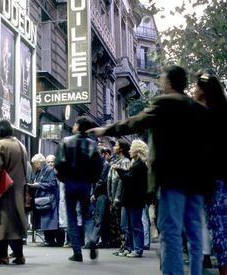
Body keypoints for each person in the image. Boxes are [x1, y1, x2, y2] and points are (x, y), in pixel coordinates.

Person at [89, 65, 210, 275]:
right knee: (194, 233)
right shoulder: (199, 109)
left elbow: (135, 121)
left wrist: (106, 129)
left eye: (162, 77)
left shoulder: (164, 103)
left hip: (172, 178)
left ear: (169, 82)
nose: (160, 81)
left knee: (170, 232)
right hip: (197, 181)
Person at [54, 116, 103, 262]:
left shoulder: (66, 141)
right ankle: (92, 240)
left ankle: (77, 252)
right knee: (87, 215)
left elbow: (59, 163)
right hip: (85, 184)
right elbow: (98, 166)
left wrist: (64, 178)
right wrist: (91, 180)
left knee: (72, 217)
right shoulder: (92, 144)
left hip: (70, 183)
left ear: (77, 126)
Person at [194, 71, 227, 275]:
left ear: (204, 91)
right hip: (218, 177)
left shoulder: (207, 116)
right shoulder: (220, 112)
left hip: (217, 179)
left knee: (220, 227)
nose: (194, 90)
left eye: (196, 86)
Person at [0, 119, 28, 265]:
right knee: (16, 224)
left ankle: (2, 256)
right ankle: (19, 256)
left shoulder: (1, 144)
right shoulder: (20, 144)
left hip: (4, 190)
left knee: (3, 224)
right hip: (18, 188)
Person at [113, 139, 148, 258]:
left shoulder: (139, 165)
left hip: (134, 200)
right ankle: (133, 248)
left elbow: (129, 179)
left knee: (136, 225)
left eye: (132, 148)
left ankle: (137, 249)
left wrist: (119, 170)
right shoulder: (137, 164)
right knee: (131, 225)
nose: (130, 150)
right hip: (131, 200)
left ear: (138, 151)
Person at [29, 154, 61, 247]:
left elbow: (52, 184)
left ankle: (50, 240)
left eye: (35, 163)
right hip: (44, 198)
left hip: (49, 198)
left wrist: (38, 185)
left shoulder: (49, 170)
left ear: (40, 162)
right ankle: (49, 240)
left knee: (49, 220)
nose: (34, 165)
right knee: (46, 220)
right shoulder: (40, 171)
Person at [108, 139, 131, 253]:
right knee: (119, 223)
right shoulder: (117, 161)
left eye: (116, 145)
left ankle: (126, 246)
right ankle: (123, 246)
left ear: (121, 148)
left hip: (121, 198)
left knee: (124, 223)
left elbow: (122, 182)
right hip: (115, 197)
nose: (114, 147)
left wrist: (116, 198)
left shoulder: (125, 162)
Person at [90, 147, 112, 248]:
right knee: (103, 218)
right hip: (100, 194)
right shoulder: (99, 165)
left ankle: (93, 242)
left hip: (102, 195)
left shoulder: (105, 165)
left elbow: (101, 181)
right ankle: (105, 241)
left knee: (99, 218)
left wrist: (94, 193)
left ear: (103, 154)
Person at [47, 154, 68, 246]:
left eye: (52, 162)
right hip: (52, 200)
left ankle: (61, 240)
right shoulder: (46, 172)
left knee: (61, 220)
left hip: (60, 199)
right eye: (49, 162)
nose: (51, 164)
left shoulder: (59, 171)